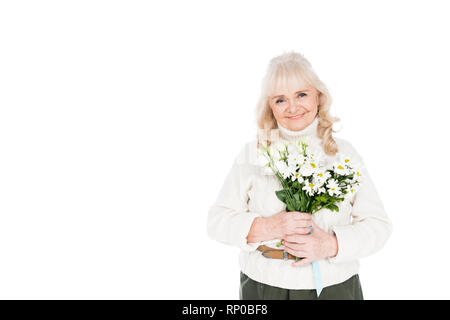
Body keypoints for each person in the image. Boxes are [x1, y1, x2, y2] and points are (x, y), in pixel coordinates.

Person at [207, 51, 392, 300]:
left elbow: (378, 226)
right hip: (264, 287)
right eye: (280, 99)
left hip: (334, 288)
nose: (293, 107)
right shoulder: (255, 152)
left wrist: (331, 244)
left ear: (318, 96)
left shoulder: (342, 154)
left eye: (301, 94)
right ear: (270, 106)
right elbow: (217, 221)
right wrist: (268, 226)